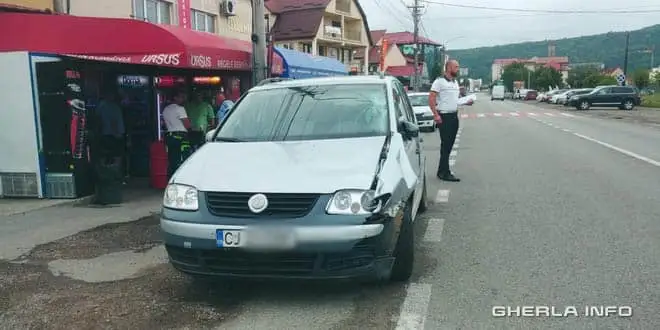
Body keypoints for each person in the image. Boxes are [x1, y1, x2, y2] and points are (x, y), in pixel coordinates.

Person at [428, 59, 473, 182]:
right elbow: (431, 98)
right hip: (444, 117)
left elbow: (455, 100)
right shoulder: (439, 82)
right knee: (446, 145)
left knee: (449, 145)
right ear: (449, 68)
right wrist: (435, 114)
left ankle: (442, 170)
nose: (458, 69)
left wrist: (466, 102)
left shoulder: (455, 83)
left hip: (454, 116)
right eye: (456, 67)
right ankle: (444, 172)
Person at [162, 90, 192, 178]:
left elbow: (164, 124)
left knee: (172, 161)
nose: (183, 99)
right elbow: (187, 125)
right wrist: (191, 129)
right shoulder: (180, 109)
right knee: (183, 160)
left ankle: (170, 179)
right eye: (181, 97)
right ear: (175, 98)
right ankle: (181, 179)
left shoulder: (165, 110)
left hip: (169, 137)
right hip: (180, 137)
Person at [97, 89, 125, 170]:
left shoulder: (101, 105)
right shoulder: (112, 106)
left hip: (105, 134)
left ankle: (107, 172)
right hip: (113, 135)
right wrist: (117, 134)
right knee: (115, 155)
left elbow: (98, 119)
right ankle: (114, 172)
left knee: (107, 155)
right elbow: (114, 121)